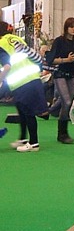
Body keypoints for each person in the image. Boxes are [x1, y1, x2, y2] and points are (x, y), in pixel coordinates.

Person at [0, 21, 47, 152]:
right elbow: (34, 56)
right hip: (31, 77)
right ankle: (23, 138)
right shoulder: (15, 39)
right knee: (22, 110)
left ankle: (34, 143)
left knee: (28, 112)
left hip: (22, 81)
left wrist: (1, 80)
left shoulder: (1, 45)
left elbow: (7, 66)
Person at [46, 17, 74, 143]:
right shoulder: (59, 41)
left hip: (72, 75)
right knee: (66, 101)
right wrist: (65, 60)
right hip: (60, 74)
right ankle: (62, 132)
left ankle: (62, 131)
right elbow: (51, 59)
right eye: (71, 26)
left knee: (67, 102)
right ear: (66, 28)